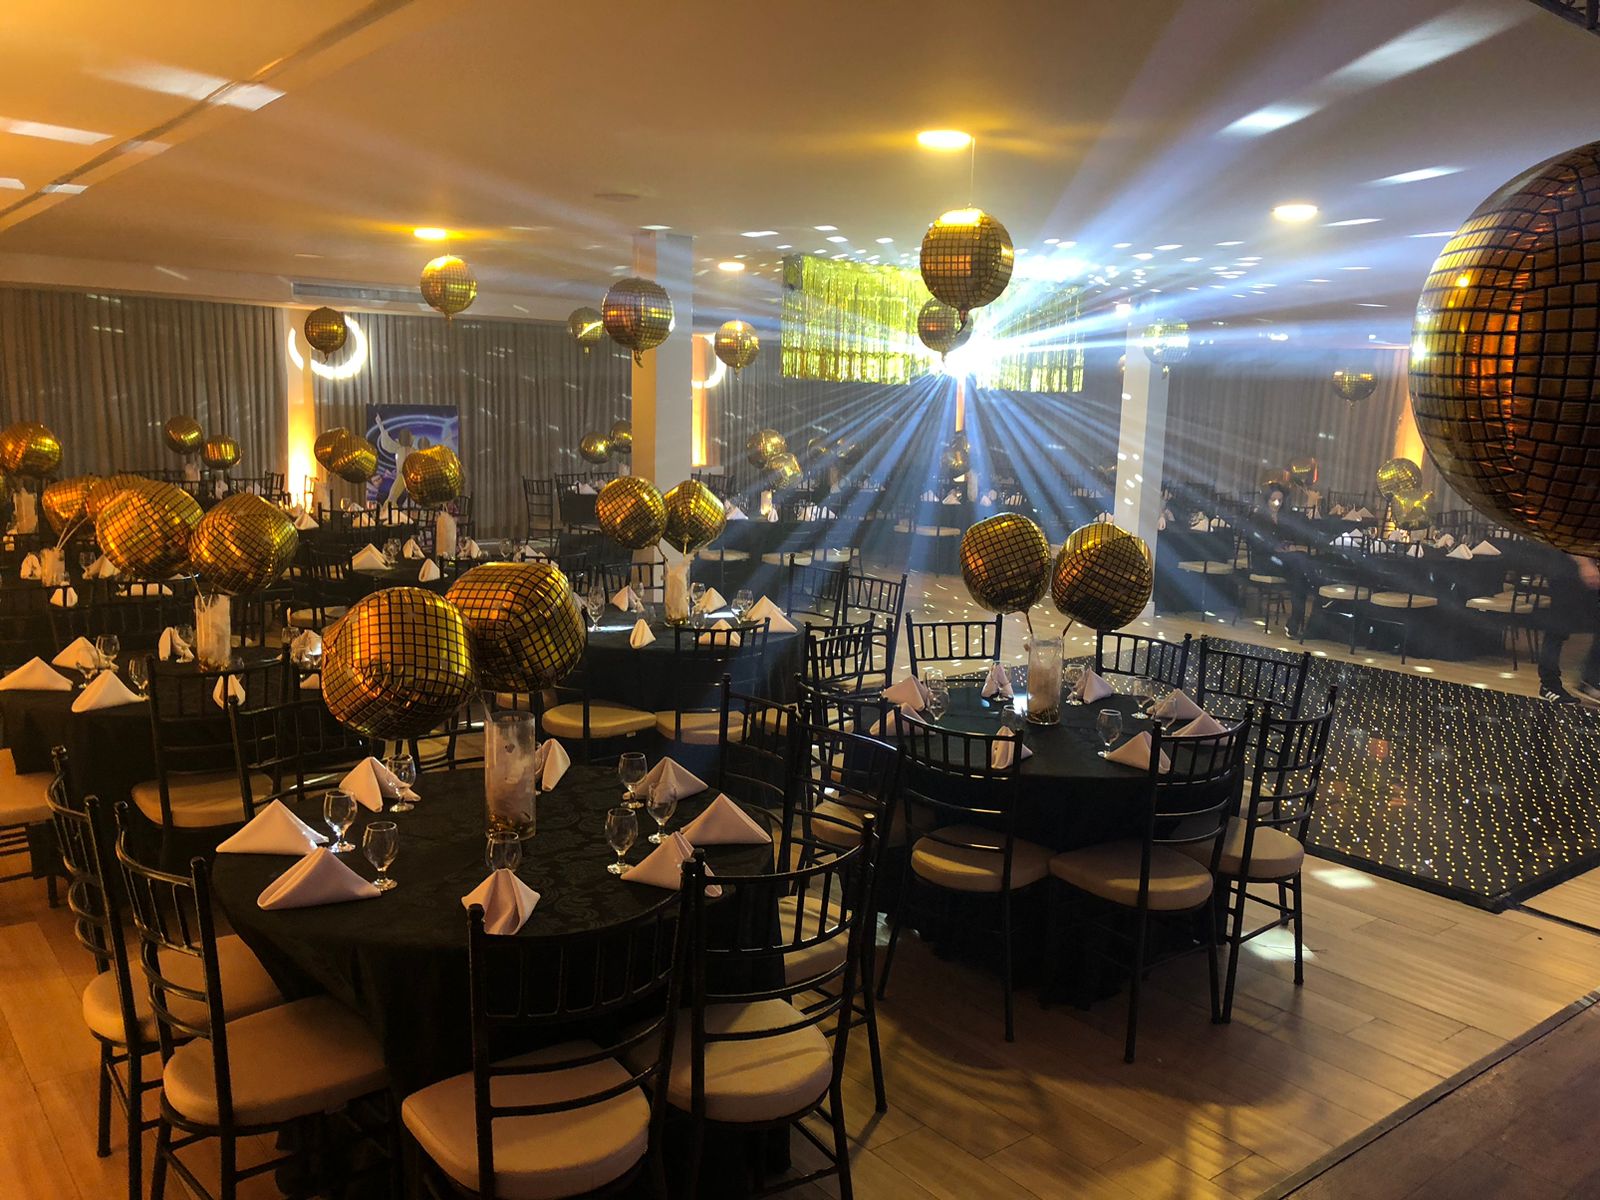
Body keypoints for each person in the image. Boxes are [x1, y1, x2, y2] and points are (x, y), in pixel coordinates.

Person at [1538, 552, 1600, 704]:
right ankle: (1549, 684)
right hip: (1566, 570)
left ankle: (1590, 680)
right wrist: (1585, 563)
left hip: (1581, 568)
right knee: (1557, 629)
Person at [373, 413, 414, 508]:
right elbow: (386, 443)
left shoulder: (405, 450)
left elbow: (386, 443)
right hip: (403, 478)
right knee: (392, 499)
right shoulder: (402, 449)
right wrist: (380, 425)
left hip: (408, 479)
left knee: (393, 499)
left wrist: (380, 425)